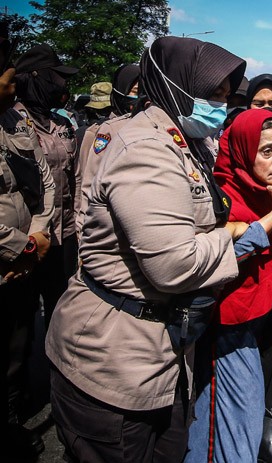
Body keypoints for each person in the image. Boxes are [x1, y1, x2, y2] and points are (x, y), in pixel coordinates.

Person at [46, 36, 247, 462]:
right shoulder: (146, 149)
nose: (222, 106)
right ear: (175, 85)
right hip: (114, 359)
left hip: (160, 355)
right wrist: (232, 236)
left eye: (226, 96)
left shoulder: (183, 140)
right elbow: (174, 266)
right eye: (213, 94)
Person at [186, 109, 272, 462]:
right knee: (230, 433)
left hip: (264, 325)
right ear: (243, 152)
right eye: (266, 151)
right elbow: (223, 257)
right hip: (228, 331)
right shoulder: (223, 196)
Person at [0, 38, 56, 459]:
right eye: (7, 77)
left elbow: (45, 181)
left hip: (25, 259)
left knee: (15, 354)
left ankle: (11, 421)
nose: (12, 84)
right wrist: (20, 247)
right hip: (11, 258)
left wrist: (37, 239)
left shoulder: (12, 123)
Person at [11, 44, 80, 327]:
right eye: (56, 76)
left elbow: (76, 177)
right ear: (36, 77)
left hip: (65, 234)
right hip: (26, 237)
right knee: (19, 326)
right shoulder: (10, 121)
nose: (62, 84)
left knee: (62, 314)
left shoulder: (62, 122)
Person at [74, 64, 141, 237]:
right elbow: (87, 183)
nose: (139, 97)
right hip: (107, 228)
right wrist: (83, 231)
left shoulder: (146, 126)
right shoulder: (104, 132)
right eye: (134, 91)